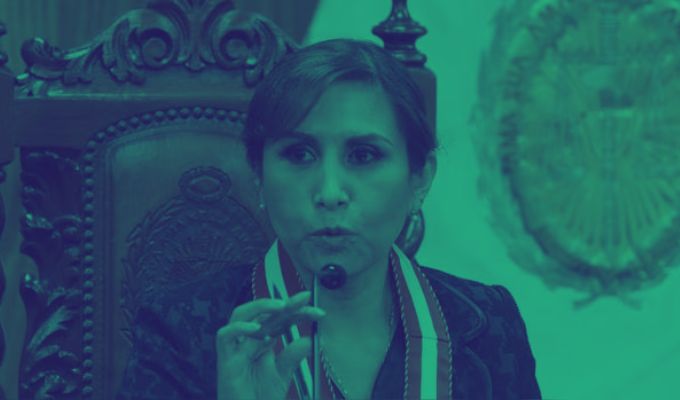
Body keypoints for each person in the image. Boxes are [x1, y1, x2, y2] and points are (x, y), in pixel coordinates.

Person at [116, 38, 541, 400]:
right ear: (259, 176)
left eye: (364, 155)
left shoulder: (489, 323)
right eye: (299, 154)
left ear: (419, 178)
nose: (330, 192)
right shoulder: (180, 329)